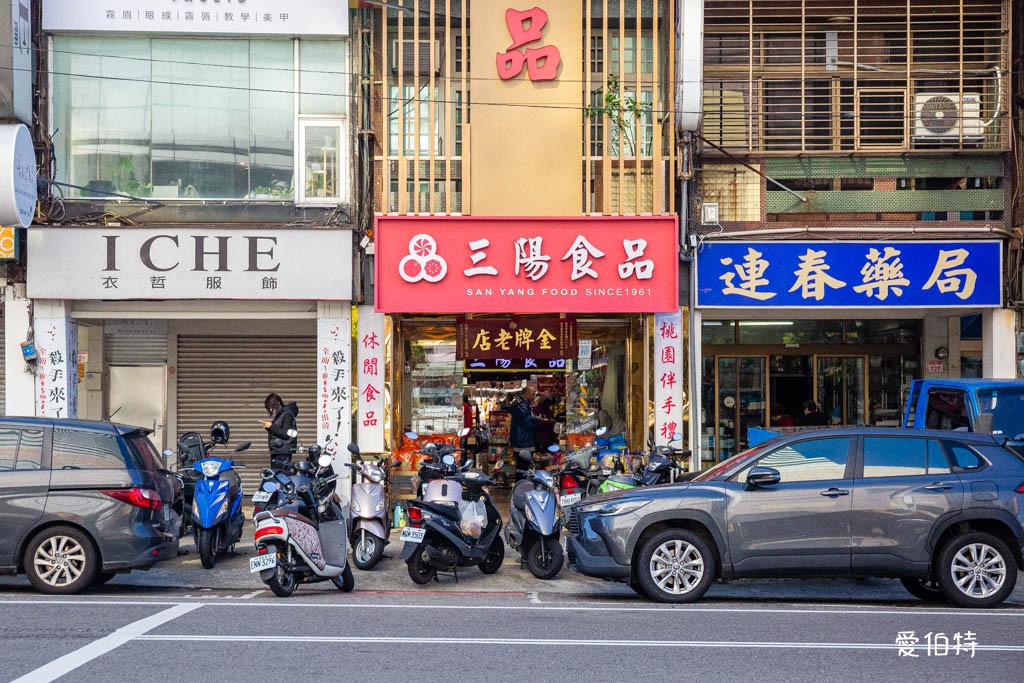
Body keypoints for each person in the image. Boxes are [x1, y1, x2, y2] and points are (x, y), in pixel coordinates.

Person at [262, 392, 299, 466]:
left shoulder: (287, 415)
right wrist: (268, 427)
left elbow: (285, 434)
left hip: (283, 452)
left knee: (280, 475)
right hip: (278, 450)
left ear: (278, 404)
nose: (271, 410)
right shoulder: (280, 415)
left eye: (272, 407)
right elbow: (277, 430)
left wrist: (271, 427)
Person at [509, 383, 543, 453]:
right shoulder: (522, 406)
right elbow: (528, 422)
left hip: (521, 440)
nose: (534, 397)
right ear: (527, 394)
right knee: (524, 462)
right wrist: (538, 419)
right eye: (533, 394)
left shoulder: (522, 405)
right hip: (523, 441)